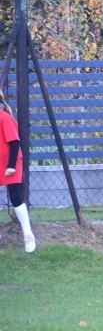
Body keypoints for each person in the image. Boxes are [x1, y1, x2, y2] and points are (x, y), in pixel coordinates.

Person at [1, 91, 36, 253]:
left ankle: (28, 236)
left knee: (15, 198)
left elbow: (15, 142)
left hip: (10, 164)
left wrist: (11, 166)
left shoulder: (4, 117)